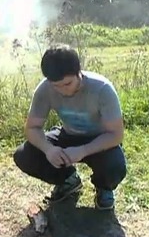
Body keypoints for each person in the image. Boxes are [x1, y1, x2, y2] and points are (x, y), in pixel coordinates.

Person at [13, 44, 127, 210]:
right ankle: (68, 181)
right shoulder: (44, 89)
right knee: (24, 155)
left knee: (115, 166)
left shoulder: (102, 89)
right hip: (67, 135)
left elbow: (116, 134)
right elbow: (32, 128)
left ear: (78, 72)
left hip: (99, 139)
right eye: (55, 86)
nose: (62, 91)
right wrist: (48, 149)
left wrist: (83, 150)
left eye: (67, 84)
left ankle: (104, 188)